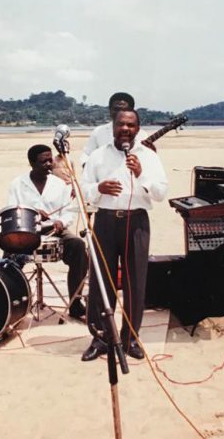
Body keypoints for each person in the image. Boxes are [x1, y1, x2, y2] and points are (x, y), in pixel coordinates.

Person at [80, 110, 168, 361]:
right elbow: (83, 189)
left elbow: (161, 193)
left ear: (138, 129)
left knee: (135, 283)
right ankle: (100, 338)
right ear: (113, 127)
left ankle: (130, 339)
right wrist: (98, 187)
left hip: (136, 221)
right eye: (121, 124)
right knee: (100, 282)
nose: (126, 129)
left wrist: (141, 174)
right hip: (105, 221)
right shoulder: (98, 155)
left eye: (131, 125)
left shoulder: (148, 156)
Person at [7, 144, 88, 318]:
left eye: (50, 160)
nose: (49, 164)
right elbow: (13, 210)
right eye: (44, 161)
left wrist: (60, 222)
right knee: (7, 252)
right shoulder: (17, 184)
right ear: (32, 163)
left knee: (79, 247)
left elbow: (68, 213)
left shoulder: (60, 184)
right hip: (26, 231)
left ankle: (75, 303)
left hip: (55, 231)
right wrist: (32, 214)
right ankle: (10, 302)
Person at [80, 92, 151, 167]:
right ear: (110, 111)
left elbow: (148, 161)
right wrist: (90, 170)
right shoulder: (98, 132)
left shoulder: (142, 134)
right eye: (116, 109)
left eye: (123, 109)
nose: (119, 113)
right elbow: (86, 155)